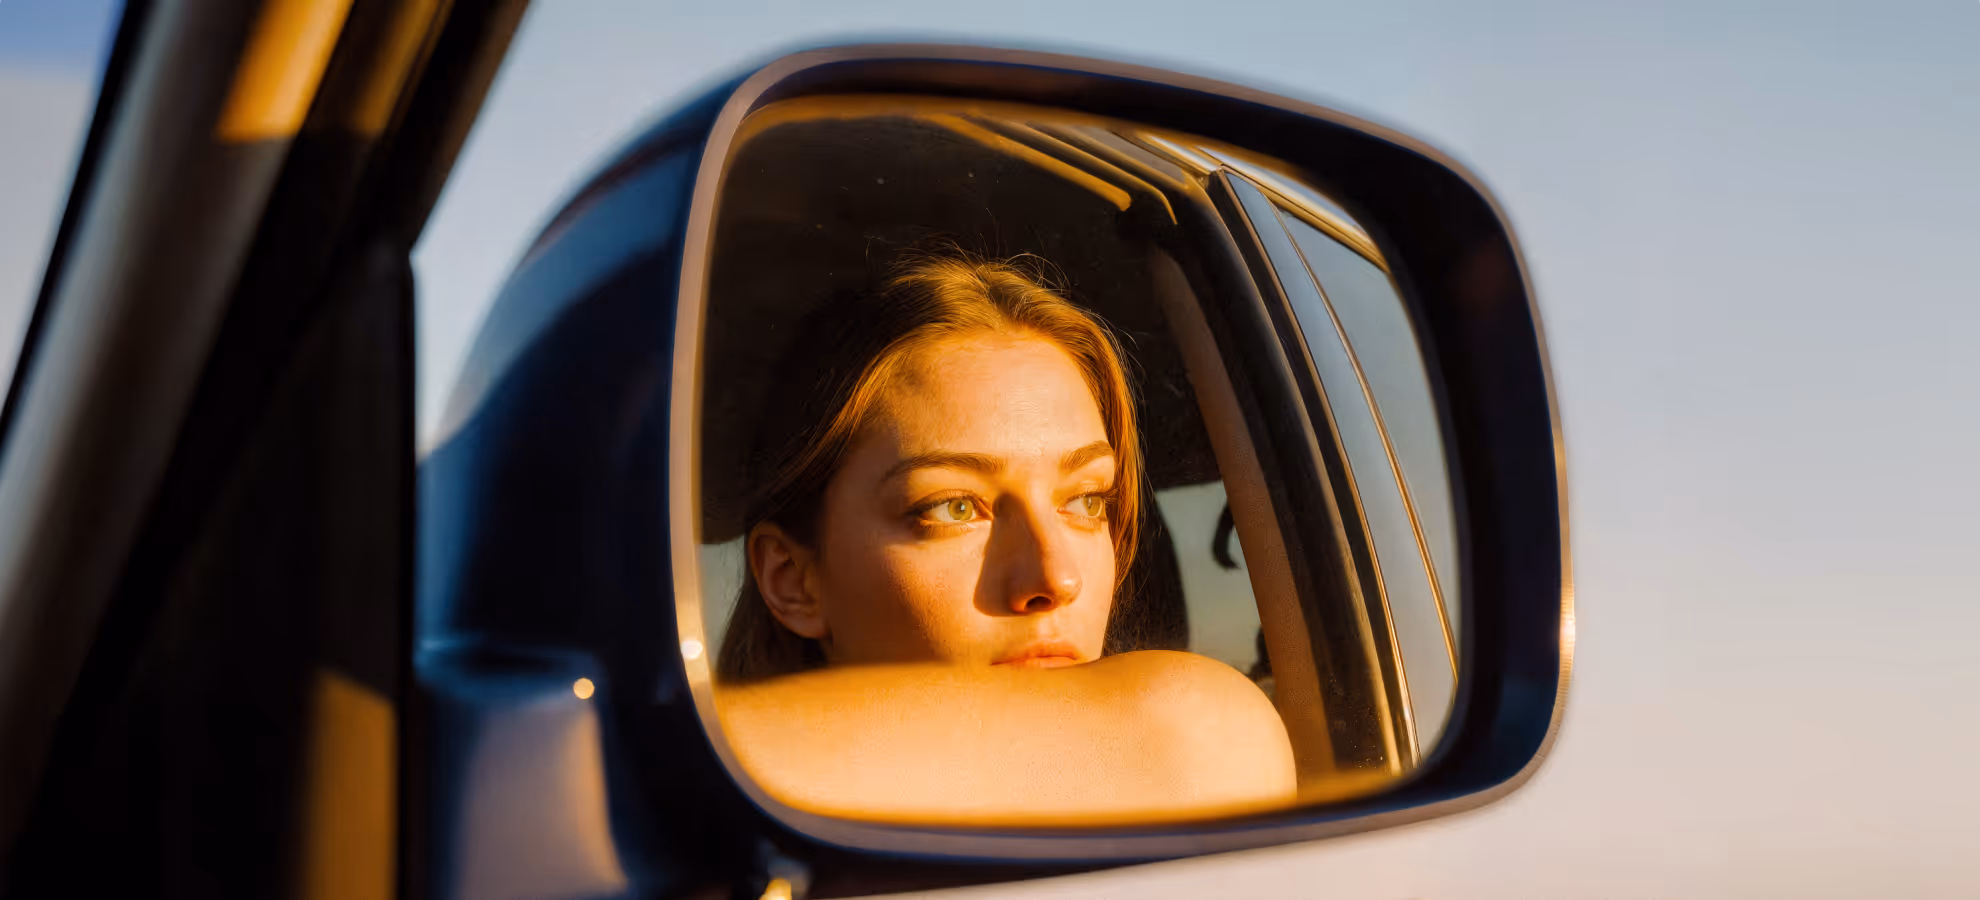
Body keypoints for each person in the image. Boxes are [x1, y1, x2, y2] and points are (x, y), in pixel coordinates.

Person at [713, 251, 1295, 826]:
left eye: (1087, 501)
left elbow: (1197, 737)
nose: (1054, 578)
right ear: (793, 582)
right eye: (954, 507)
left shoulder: (1197, 735)